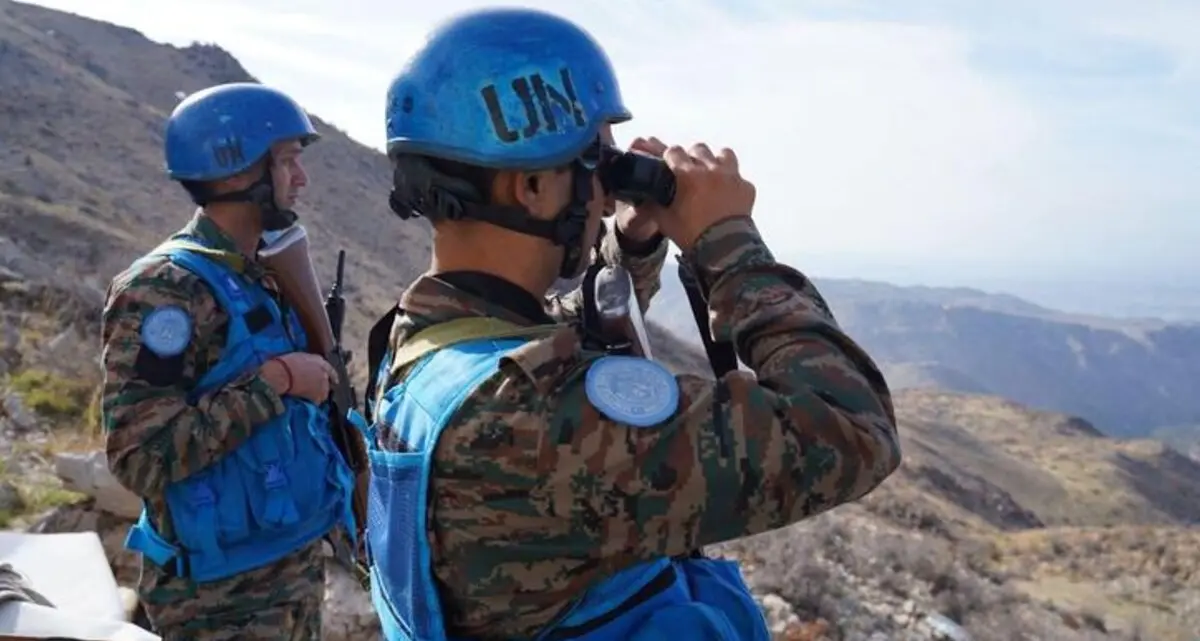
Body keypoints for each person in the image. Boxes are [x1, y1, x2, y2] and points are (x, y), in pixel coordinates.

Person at [359, 7, 902, 641]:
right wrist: (726, 243)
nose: (607, 190)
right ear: (532, 186)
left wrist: (632, 243)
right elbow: (852, 428)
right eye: (597, 163)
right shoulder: (531, 424)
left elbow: (550, 340)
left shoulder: (418, 342)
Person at [99, 82, 357, 641]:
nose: (302, 178)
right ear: (237, 169)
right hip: (218, 604)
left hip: (289, 576)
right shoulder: (164, 291)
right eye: (287, 161)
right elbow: (141, 457)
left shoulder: (262, 275)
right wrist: (279, 381)